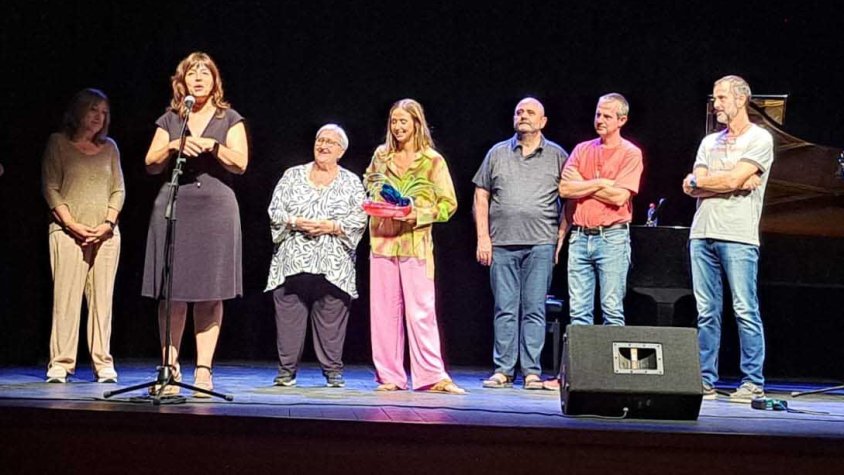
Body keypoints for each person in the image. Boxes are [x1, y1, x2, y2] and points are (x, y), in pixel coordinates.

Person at [142, 52, 249, 397]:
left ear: (215, 81)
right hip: (175, 205)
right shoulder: (171, 118)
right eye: (192, 73)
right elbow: (151, 164)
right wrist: (175, 145)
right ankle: (169, 368)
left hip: (216, 209)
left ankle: (203, 370)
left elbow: (241, 164)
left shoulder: (229, 118)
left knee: (210, 291)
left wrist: (213, 146)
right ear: (182, 82)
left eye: (205, 73)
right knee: (171, 291)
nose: (199, 78)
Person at [682, 75, 773, 402]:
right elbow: (692, 185)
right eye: (715, 98)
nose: (716, 104)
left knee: (744, 309)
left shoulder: (760, 138)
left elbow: (712, 181)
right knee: (706, 311)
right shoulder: (709, 142)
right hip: (701, 233)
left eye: (721, 98)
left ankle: (753, 382)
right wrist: (727, 182)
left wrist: (708, 182)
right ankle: (705, 380)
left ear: (741, 99)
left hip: (738, 235)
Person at [364, 98, 464, 394]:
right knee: (384, 312)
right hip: (382, 242)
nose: (397, 127)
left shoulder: (433, 160)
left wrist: (417, 213)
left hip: (415, 244)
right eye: (394, 121)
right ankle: (390, 376)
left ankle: (432, 376)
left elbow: (448, 204)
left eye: (403, 121)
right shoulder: (381, 155)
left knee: (421, 311)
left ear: (416, 123)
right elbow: (370, 183)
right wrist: (379, 201)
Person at [473, 98, 569, 390]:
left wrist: (560, 235)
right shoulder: (497, 153)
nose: (523, 116)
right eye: (519, 112)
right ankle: (503, 370)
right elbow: (481, 195)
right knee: (505, 308)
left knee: (534, 309)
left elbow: (570, 198)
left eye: (530, 112)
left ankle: (531, 372)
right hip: (502, 243)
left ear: (543, 121)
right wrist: (483, 237)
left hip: (540, 243)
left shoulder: (557, 155)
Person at [266, 124, 367, 388]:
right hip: (292, 260)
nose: (323, 145)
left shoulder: (351, 181)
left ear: (341, 151)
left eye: (330, 142)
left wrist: (331, 226)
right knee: (289, 318)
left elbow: (360, 219)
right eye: (320, 140)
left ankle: (333, 371)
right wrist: (295, 221)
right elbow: (275, 210)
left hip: (333, 264)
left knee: (331, 318)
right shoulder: (292, 175)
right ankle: (286, 371)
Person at [42, 88, 125, 383]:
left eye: (104, 113)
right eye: (93, 110)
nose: (99, 117)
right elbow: (50, 187)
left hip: (105, 235)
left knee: (102, 302)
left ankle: (103, 363)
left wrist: (107, 223)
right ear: (78, 111)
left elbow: (118, 190)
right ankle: (61, 363)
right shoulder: (58, 143)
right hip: (67, 234)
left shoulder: (110, 148)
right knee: (66, 300)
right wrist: (72, 225)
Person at [558, 93, 643, 327]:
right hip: (579, 237)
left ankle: (610, 354)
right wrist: (600, 183)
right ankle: (582, 354)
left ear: (622, 120)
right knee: (578, 313)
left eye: (607, 116)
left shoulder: (631, 153)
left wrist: (582, 184)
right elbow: (565, 189)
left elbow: (619, 197)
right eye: (598, 114)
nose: (600, 120)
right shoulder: (582, 149)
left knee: (612, 310)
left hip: (612, 238)